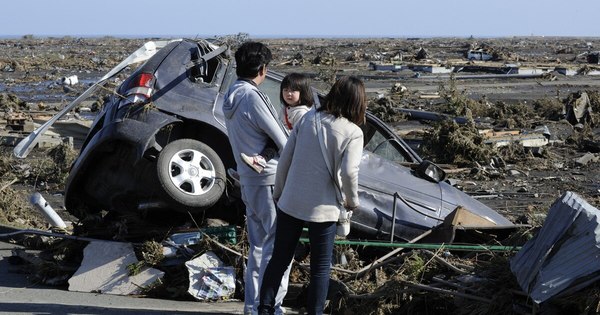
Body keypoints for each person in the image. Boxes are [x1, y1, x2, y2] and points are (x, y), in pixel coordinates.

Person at [258, 76, 367, 315]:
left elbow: (286, 157)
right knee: (320, 268)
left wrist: (279, 192)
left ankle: (264, 309)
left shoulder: (310, 118)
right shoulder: (353, 132)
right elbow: (349, 172)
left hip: (291, 201)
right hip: (324, 208)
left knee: (279, 259)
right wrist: (352, 201)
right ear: (358, 102)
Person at [223, 41, 291, 315]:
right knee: (278, 246)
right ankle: (271, 305)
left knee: (258, 247)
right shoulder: (253, 97)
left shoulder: (231, 94)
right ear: (262, 69)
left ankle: (253, 307)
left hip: (248, 179)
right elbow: (283, 140)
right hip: (269, 178)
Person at [241, 72, 314, 173]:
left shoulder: (302, 112)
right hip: (283, 139)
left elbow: (301, 134)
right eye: (286, 90)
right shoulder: (286, 108)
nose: (288, 93)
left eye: (293, 91)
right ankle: (246, 168)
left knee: (272, 142)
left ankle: (260, 161)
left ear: (303, 92)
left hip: (289, 143)